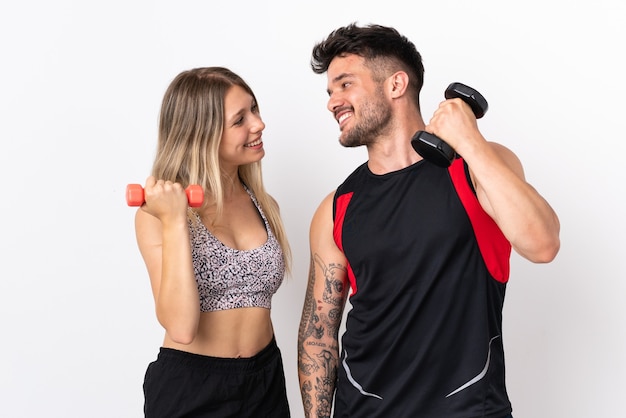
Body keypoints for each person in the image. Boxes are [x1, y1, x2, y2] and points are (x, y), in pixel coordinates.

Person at [297, 23, 560, 418]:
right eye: (330, 90)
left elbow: (542, 244)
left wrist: (469, 141)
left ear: (396, 84)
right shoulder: (337, 206)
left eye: (345, 84)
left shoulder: (476, 169)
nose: (333, 101)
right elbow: (319, 338)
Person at [135, 67, 292, 418]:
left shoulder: (264, 205)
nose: (258, 124)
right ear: (201, 135)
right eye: (240, 120)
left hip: (264, 382)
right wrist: (175, 220)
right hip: (193, 388)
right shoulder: (156, 215)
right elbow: (181, 327)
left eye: (254, 109)